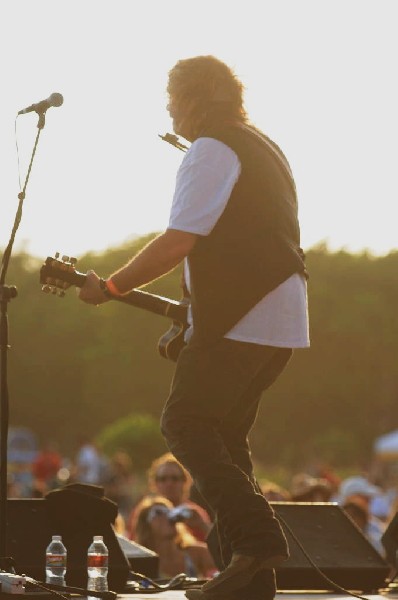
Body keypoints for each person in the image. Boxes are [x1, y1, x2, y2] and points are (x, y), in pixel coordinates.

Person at [78, 54, 310, 600]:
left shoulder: (212, 148)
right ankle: (251, 576)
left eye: (171, 97)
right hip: (280, 314)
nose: (168, 108)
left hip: (245, 313)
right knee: (226, 438)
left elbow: (180, 240)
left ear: (192, 98)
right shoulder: (261, 145)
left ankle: (257, 539)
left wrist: (110, 287)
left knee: (183, 424)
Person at [127, 452, 212, 542]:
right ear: (154, 483)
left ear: (185, 482)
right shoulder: (144, 513)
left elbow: (215, 549)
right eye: (163, 479)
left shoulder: (194, 514)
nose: (169, 484)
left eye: (175, 478)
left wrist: (203, 526)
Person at [132, 495, 216, 579]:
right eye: (159, 513)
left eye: (169, 511)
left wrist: (203, 525)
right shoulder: (142, 562)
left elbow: (225, 559)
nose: (167, 516)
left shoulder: (194, 553)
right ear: (146, 525)